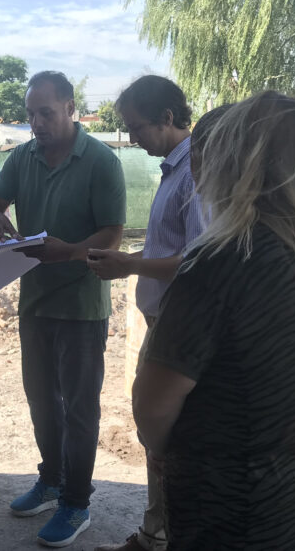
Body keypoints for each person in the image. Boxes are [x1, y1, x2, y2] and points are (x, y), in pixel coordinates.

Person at [133, 91, 295, 550]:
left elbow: (153, 406)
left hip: (244, 518)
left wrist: (163, 449)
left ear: (227, 164)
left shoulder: (220, 262)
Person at [0, 71, 126, 548]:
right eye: (30, 114)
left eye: (45, 113)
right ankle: (51, 480)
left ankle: (77, 503)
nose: (36, 123)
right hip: (35, 301)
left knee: (79, 409)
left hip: (82, 306)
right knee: (41, 399)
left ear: (70, 109)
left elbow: (112, 235)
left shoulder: (101, 161)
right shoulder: (23, 157)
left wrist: (69, 252)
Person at [85, 76, 209, 551]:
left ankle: (167, 535)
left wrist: (131, 265)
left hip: (180, 328)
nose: (133, 138)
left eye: (137, 127)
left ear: (167, 118)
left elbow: (198, 260)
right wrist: (131, 260)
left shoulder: (195, 172)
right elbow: (172, 248)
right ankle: (155, 532)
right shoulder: (175, 169)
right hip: (165, 323)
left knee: (166, 436)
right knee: (159, 438)